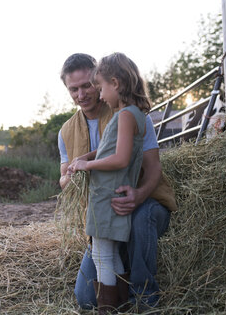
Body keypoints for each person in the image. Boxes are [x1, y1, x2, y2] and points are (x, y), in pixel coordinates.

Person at [58, 53, 177, 311]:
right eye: (73, 89)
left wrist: (140, 194)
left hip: (139, 203)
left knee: (140, 217)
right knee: (86, 298)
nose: (83, 94)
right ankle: (118, 304)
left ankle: (144, 298)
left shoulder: (129, 116)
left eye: (88, 85)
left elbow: (153, 168)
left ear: (101, 81)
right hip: (104, 209)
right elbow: (64, 179)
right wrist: (73, 175)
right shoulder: (65, 131)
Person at [68, 52, 151, 313]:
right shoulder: (132, 114)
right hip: (109, 195)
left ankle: (108, 308)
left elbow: (120, 158)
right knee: (109, 254)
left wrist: (87, 165)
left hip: (107, 196)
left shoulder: (124, 115)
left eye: (100, 87)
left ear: (115, 83)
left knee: (102, 256)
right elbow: (109, 149)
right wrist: (85, 156)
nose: (100, 95)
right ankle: (121, 305)